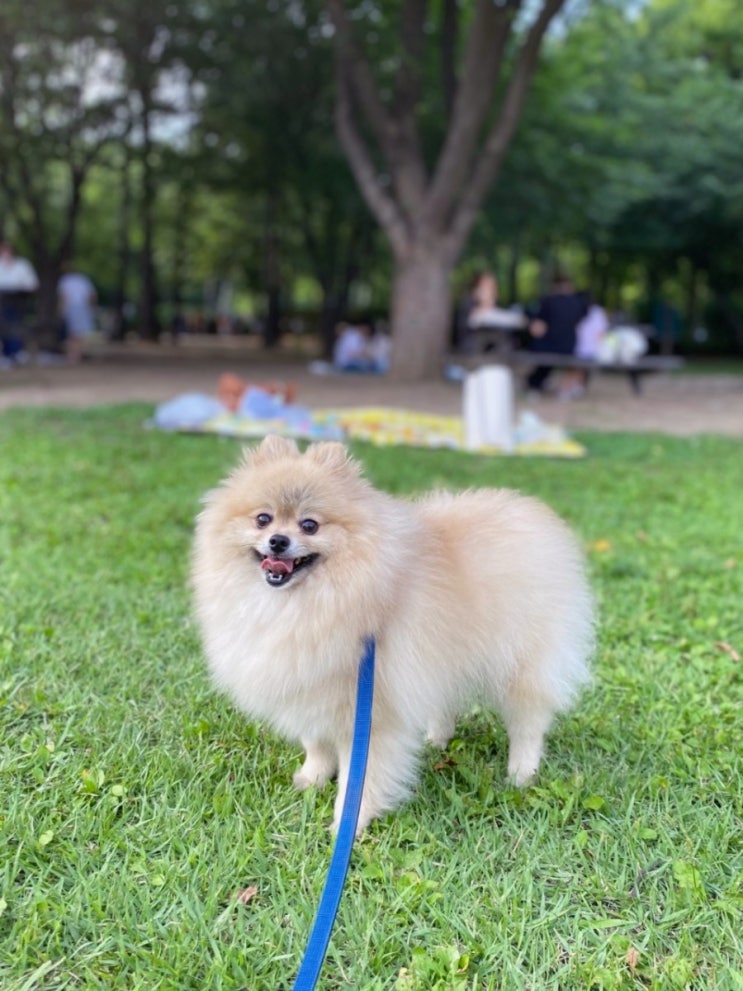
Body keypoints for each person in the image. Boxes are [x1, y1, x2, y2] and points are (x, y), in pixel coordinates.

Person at [526, 273, 589, 397]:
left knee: (542, 354)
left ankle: (535, 386)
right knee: (565, 359)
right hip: (569, 347)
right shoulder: (577, 304)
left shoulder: (548, 301)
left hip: (549, 346)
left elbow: (538, 327)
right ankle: (564, 390)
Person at [0, 241, 38, 367]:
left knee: (16, 326)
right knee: (4, 326)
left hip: (18, 301)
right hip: (2, 301)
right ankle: (6, 354)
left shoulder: (22, 265)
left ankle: (16, 352)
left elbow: (32, 283)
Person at [57, 263, 97, 364]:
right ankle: (77, 355)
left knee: (72, 333)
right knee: (79, 334)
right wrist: (91, 308)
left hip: (71, 307)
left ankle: (72, 356)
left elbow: (64, 296)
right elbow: (91, 295)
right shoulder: (84, 279)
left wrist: (61, 310)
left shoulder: (65, 280)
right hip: (83, 307)